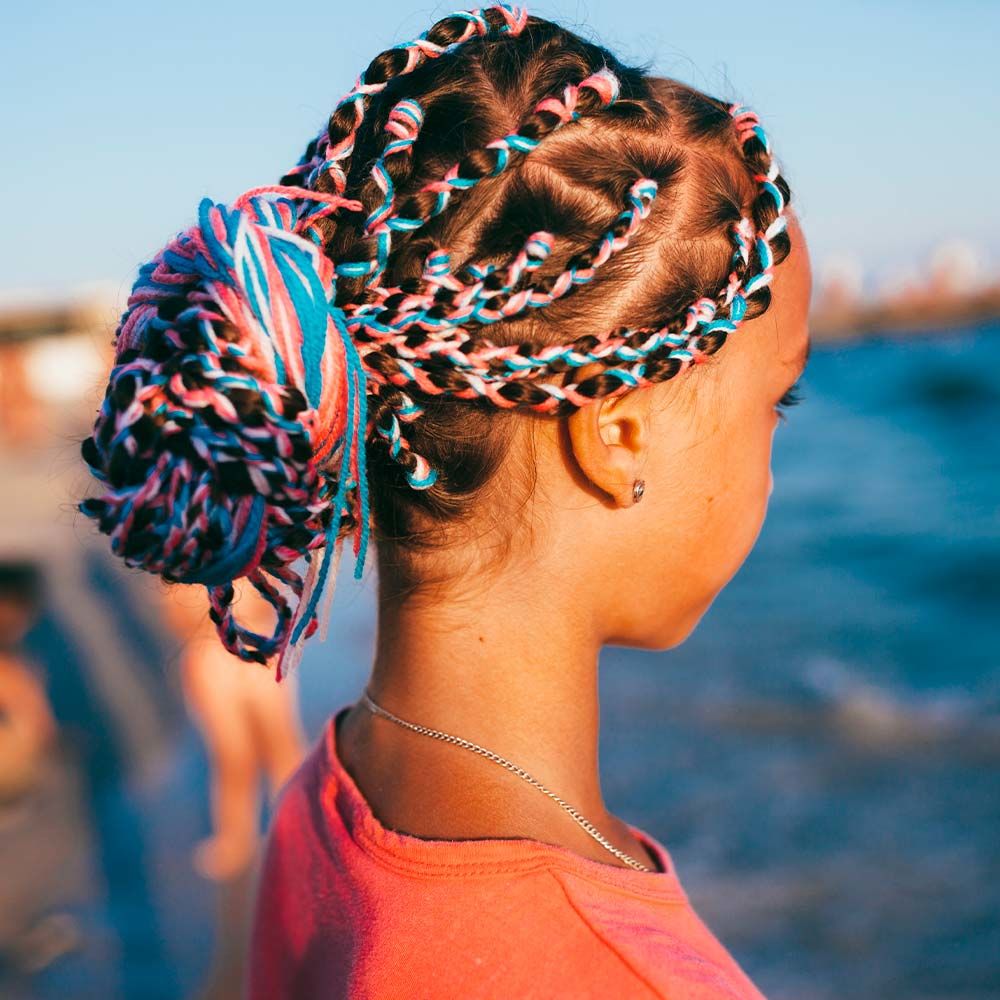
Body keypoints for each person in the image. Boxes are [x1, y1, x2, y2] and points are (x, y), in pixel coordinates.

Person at [77, 5, 812, 996]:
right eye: (778, 399)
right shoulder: (618, 977)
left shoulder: (330, 797)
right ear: (617, 428)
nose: (774, 455)